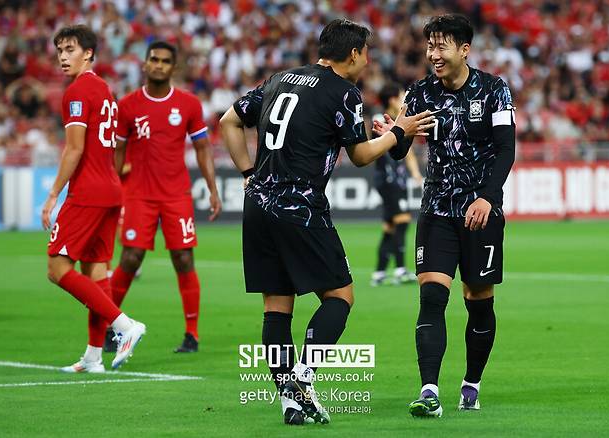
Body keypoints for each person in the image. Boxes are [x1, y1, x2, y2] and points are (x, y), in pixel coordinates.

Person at [220, 19, 435, 425]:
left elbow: (228, 121)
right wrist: (399, 132)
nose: (368, 61)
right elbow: (360, 155)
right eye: (366, 53)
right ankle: (303, 376)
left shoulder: (280, 79)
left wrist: (249, 174)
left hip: (258, 205)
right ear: (353, 54)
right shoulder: (343, 92)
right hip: (300, 207)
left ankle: (288, 400)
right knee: (340, 296)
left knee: (276, 307)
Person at [375, 14, 516, 417]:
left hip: (479, 213)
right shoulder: (420, 93)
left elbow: (505, 149)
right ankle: (429, 391)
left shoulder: (494, 90)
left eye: (441, 46)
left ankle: (471, 383)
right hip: (436, 209)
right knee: (432, 295)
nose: (433, 54)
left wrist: (488, 198)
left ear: (463, 50)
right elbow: (401, 150)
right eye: (430, 46)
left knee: (478, 299)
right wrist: (390, 132)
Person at [42, 24, 146, 373]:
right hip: (111, 190)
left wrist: (54, 194)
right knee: (96, 272)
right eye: (59, 51)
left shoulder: (76, 92)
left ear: (88, 53)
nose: (62, 57)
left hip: (87, 191)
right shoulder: (105, 90)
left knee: (57, 269)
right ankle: (93, 356)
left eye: (69, 49)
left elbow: (74, 149)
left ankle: (125, 326)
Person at [109, 41, 221, 354]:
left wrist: (212, 189)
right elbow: (117, 150)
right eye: (153, 59)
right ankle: (109, 324)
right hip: (139, 195)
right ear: (145, 64)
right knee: (130, 258)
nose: (158, 65)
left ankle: (192, 334)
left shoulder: (188, 104)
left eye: (165, 61)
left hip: (176, 195)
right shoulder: (128, 105)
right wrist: (115, 186)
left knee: (183, 258)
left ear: (173, 68)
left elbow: (202, 149)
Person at [370, 83, 424, 287]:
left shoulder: (401, 123)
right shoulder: (379, 120)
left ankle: (379, 272)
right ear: (393, 100)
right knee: (402, 221)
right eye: (401, 96)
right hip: (388, 180)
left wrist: (415, 173)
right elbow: (386, 145)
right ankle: (401, 270)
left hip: (396, 180)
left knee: (390, 227)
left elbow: (406, 151)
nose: (404, 100)